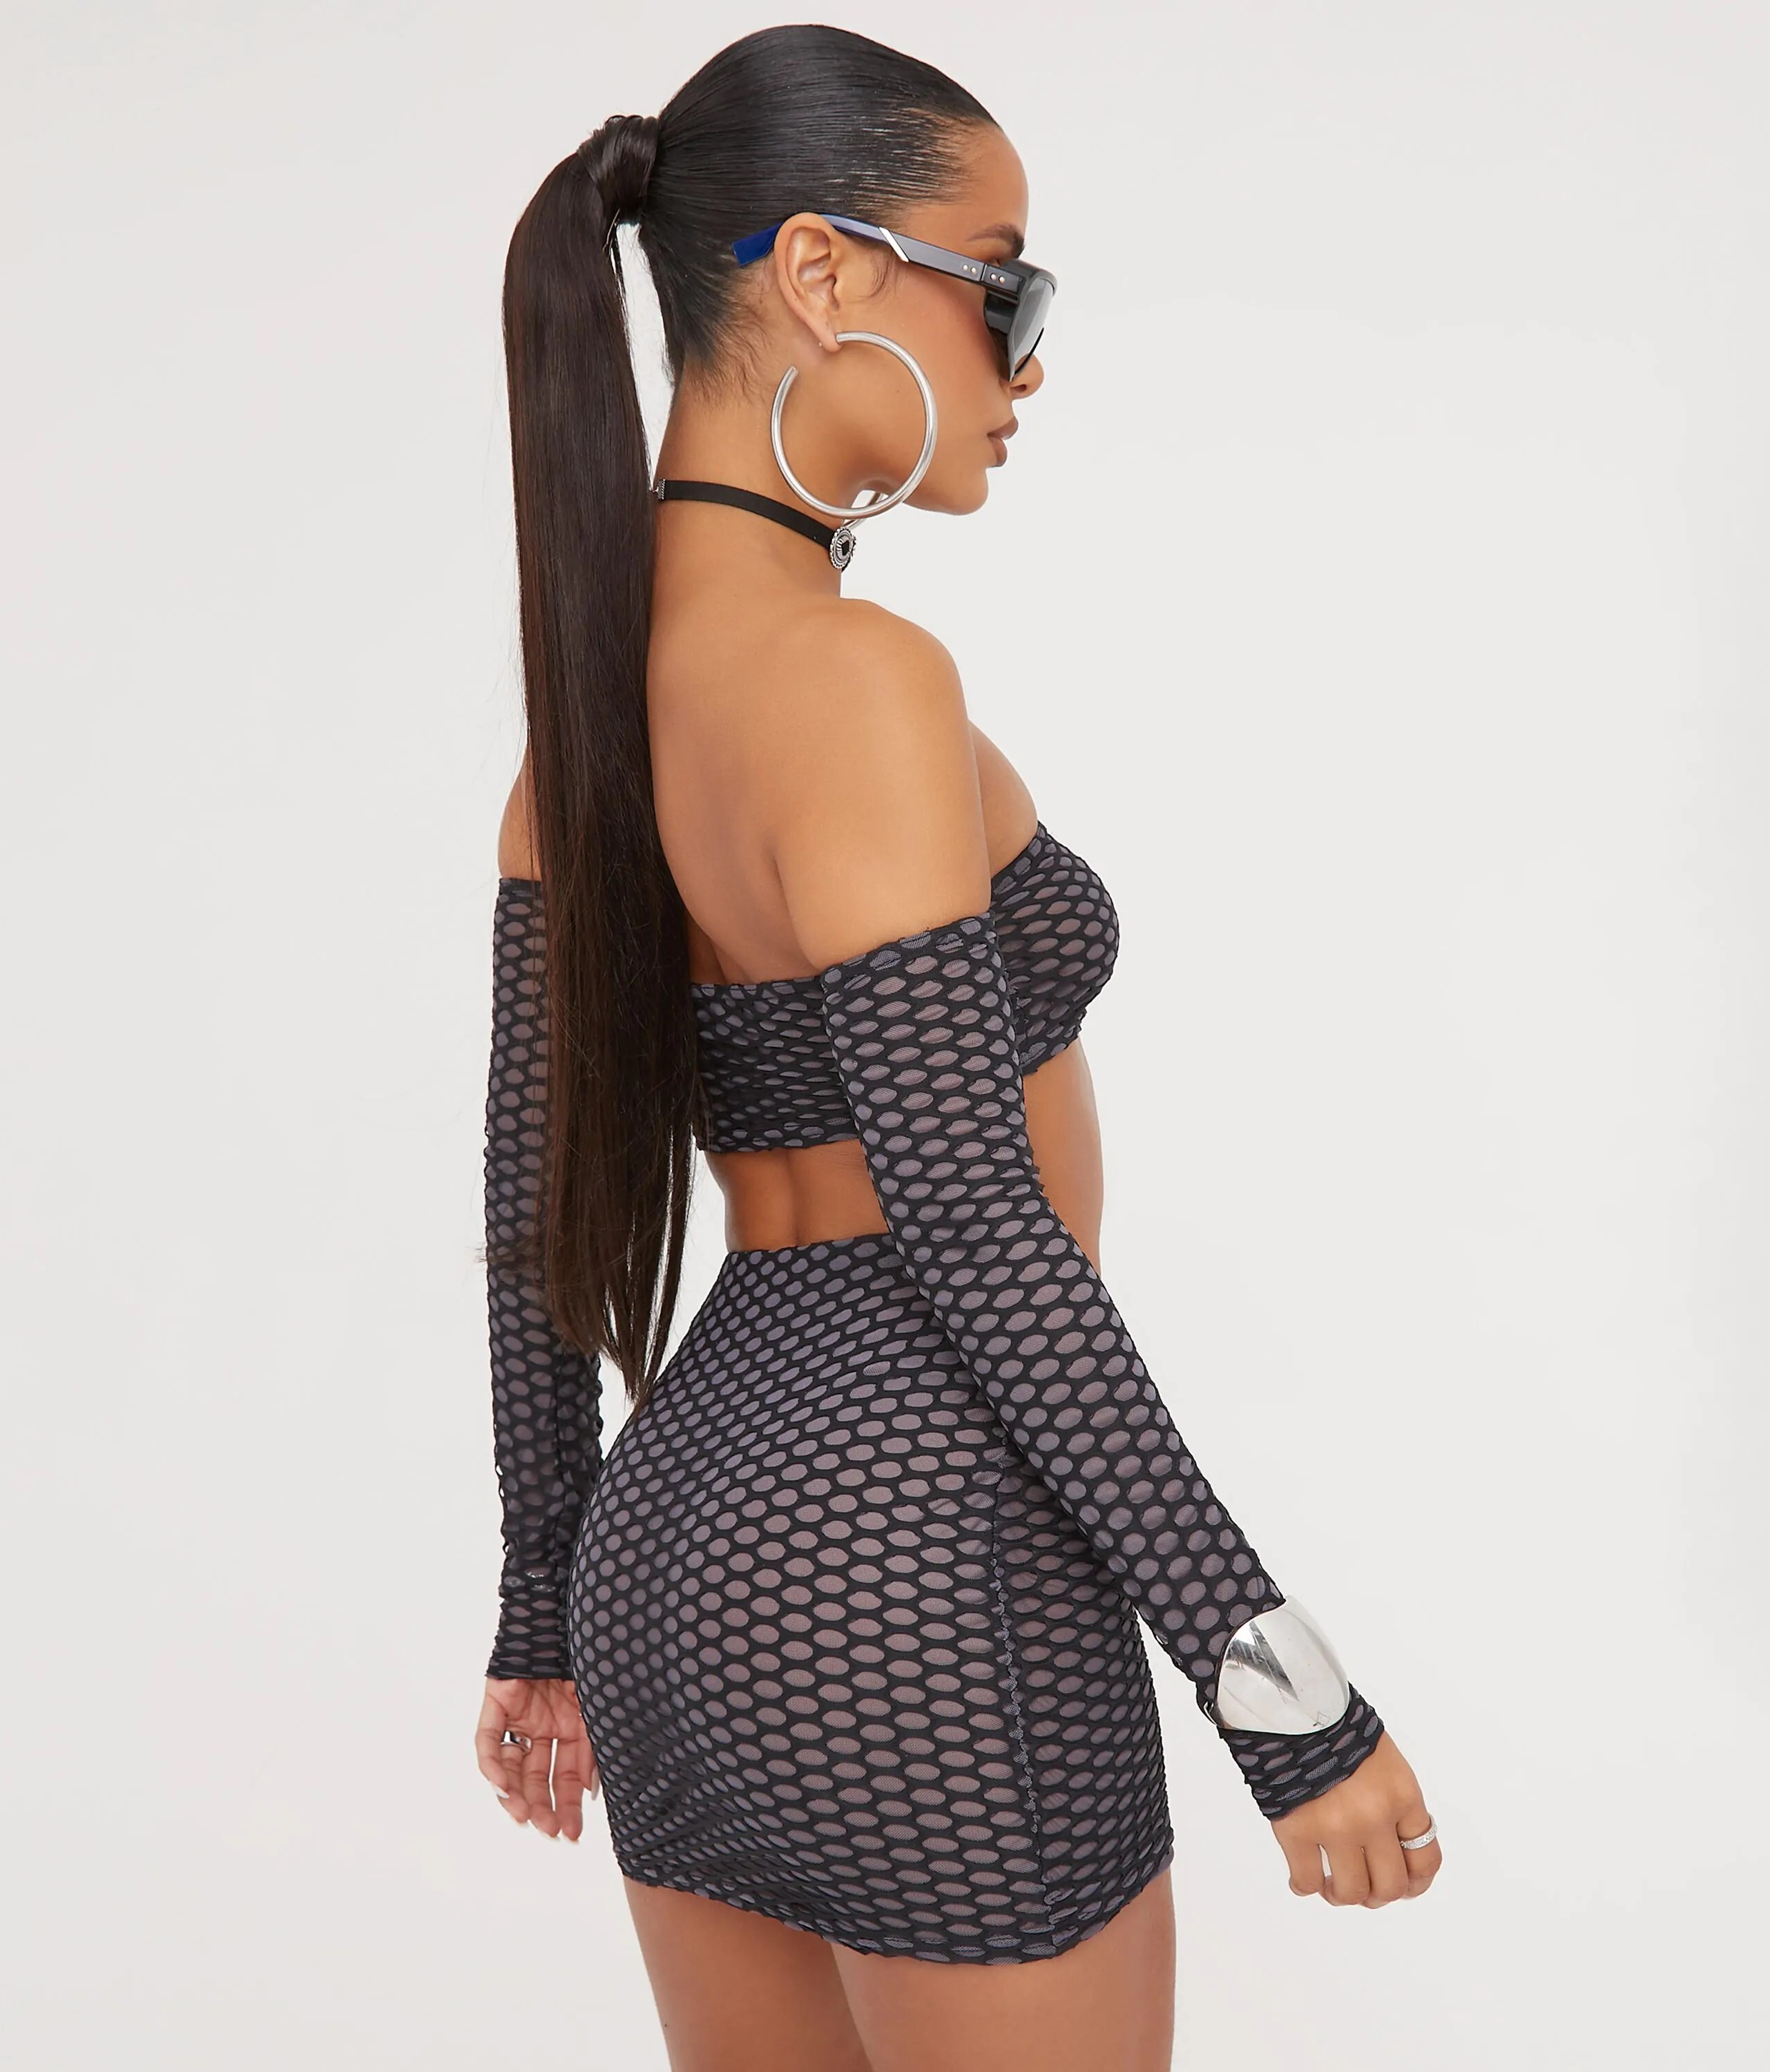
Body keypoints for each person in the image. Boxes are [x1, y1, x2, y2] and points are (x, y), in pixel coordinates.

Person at [472, 25, 1439, 2071]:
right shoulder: (854, 684)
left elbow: (532, 1232)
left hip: (678, 1565)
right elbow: (980, 1238)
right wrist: (1284, 1701)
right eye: (1005, 285)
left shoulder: (578, 740)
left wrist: (540, 1610)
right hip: (925, 1551)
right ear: (826, 273)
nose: (1029, 360)